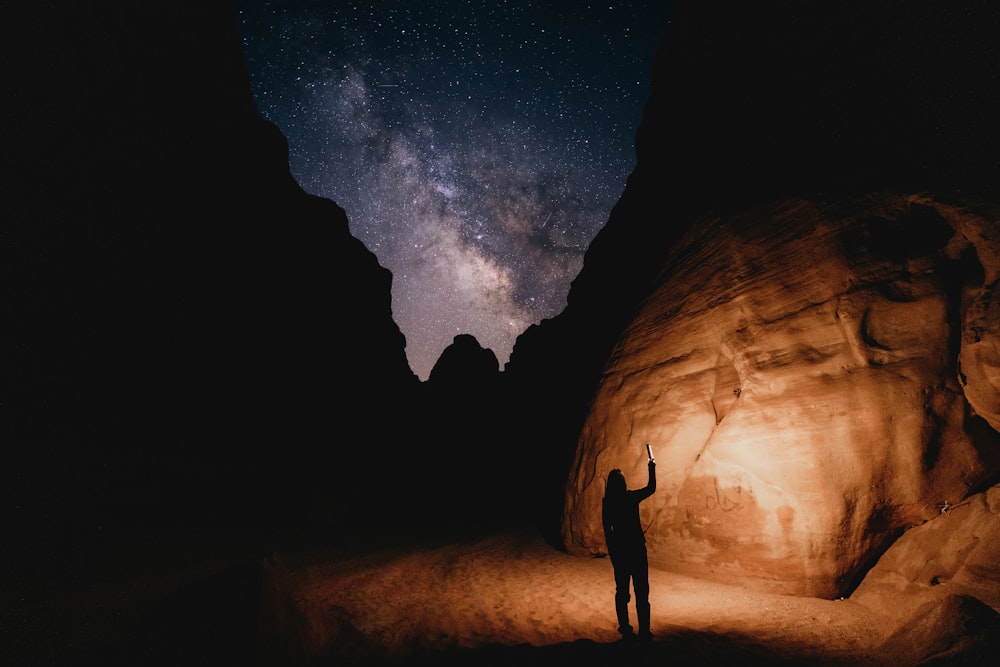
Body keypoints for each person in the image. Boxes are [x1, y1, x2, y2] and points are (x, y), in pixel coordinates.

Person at [602, 455, 656, 642]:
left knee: (622, 592)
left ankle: (625, 627)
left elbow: (608, 533)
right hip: (637, 552)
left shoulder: (608, 503)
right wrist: (651, 466)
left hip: (621, 553)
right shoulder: (630, 497)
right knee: (642, 592)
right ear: (623, 483)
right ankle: (644, 631)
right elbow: (651, 488)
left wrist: (614, 556)